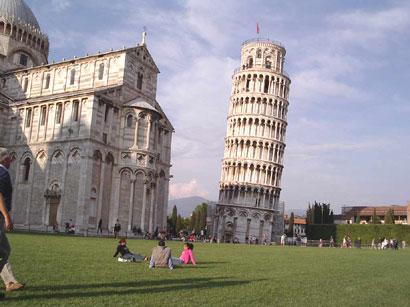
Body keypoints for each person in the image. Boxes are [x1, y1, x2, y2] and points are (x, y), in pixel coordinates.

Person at [0, 148, 24, 299]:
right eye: (9, 158)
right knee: (4, 251)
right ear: (4, 159)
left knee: (4, 250)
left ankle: (9, 282)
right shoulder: (2, 172)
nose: (11, 160)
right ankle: (9, 282)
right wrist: (6, 216)